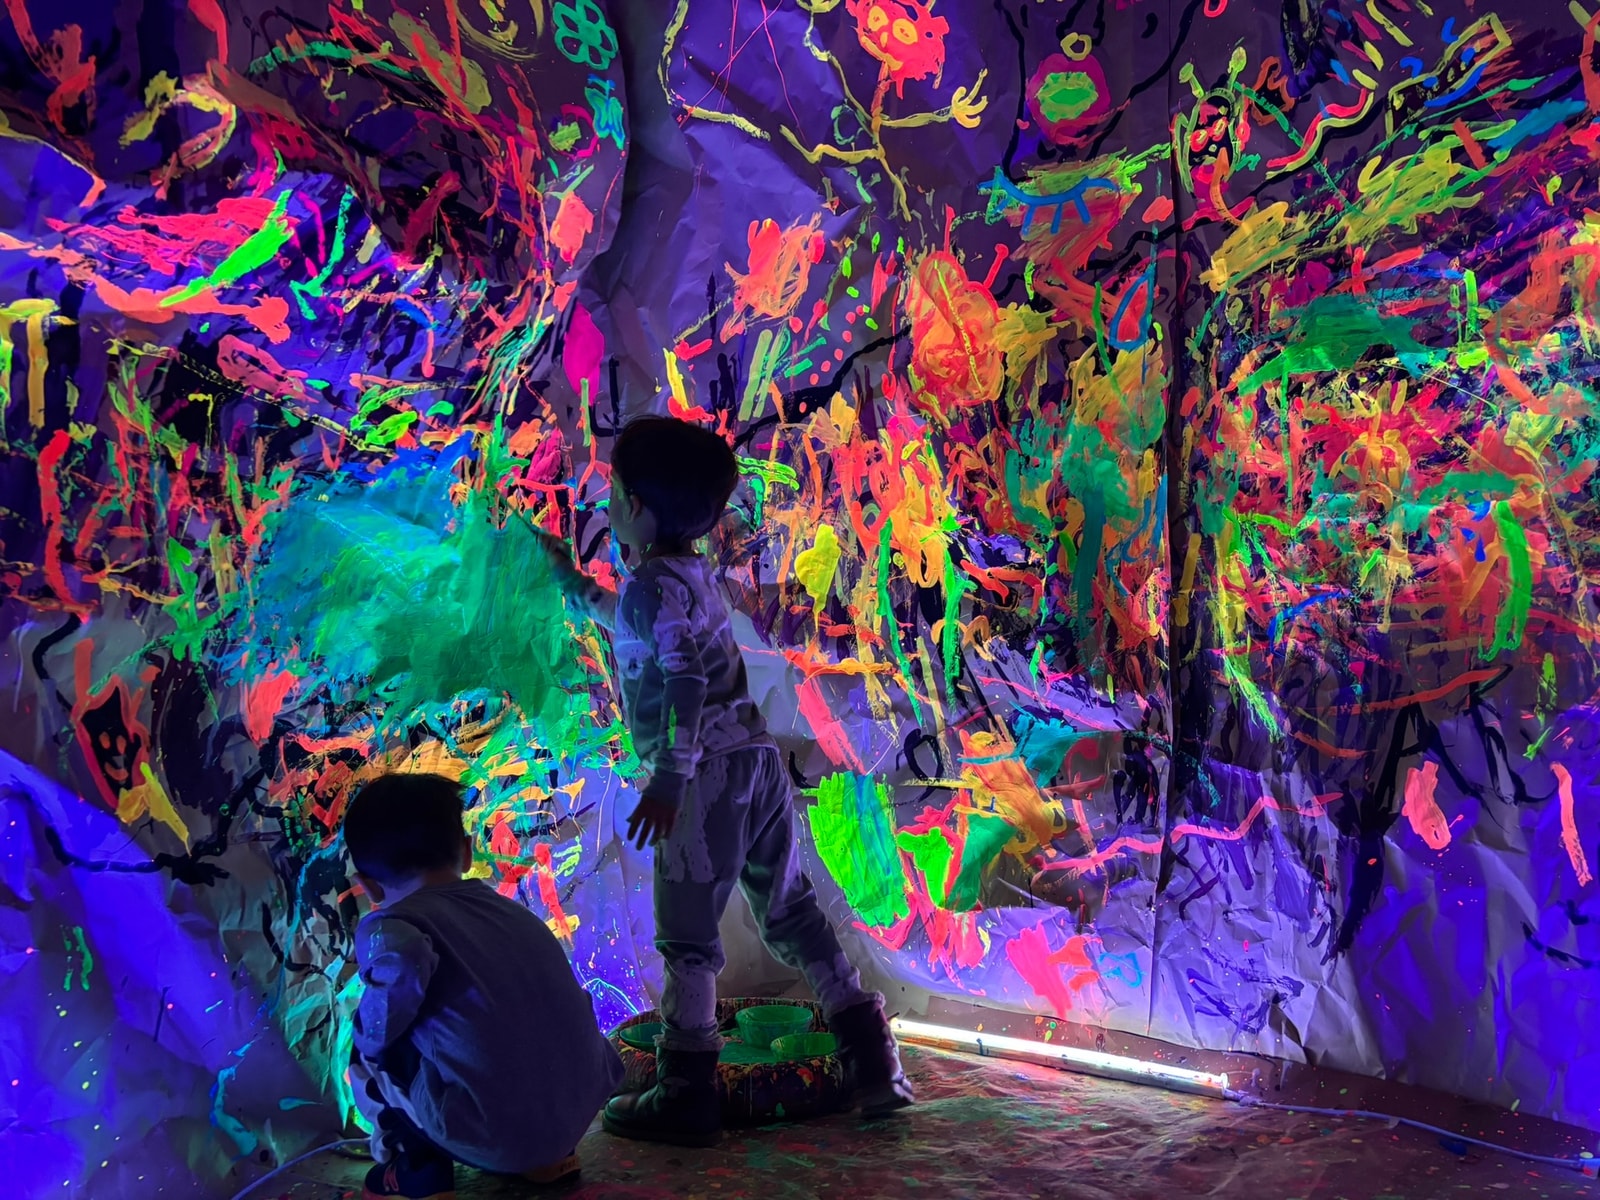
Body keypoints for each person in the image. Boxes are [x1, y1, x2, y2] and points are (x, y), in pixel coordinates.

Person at [534, 414, 913, 1148]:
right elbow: (639, 626)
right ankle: (873, 1060)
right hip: (756, 764)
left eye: (613, 493)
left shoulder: (652, 586)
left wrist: (669, 779)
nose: (607, 505)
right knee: (792, 913)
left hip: (704, 778)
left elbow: (681, 678)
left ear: (635, 507)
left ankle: (686, 1092)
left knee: (687, 937)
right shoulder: (689, 575)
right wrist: (572, 586)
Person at [342, 773, 624, 1199]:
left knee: (369, 1043)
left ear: (368, 885)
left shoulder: (390, 924)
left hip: (492, 1134)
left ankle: (418, 1168)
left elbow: (401, 963)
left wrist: (370, 1036)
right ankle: (552, 1158)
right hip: (577, 1114)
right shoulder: (512, 913)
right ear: (466, 850)